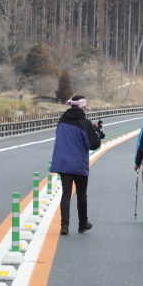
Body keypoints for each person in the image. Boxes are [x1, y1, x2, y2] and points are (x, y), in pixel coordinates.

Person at [49, 95, 103, 235]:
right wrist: (96, 133)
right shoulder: (84, 122)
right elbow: (93, 144)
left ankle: (64, 226)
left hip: (63, 162)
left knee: (66, 193)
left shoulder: (62, 119)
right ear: (82, 106)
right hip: (79, 163)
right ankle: (82, 224)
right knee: (81, 193)